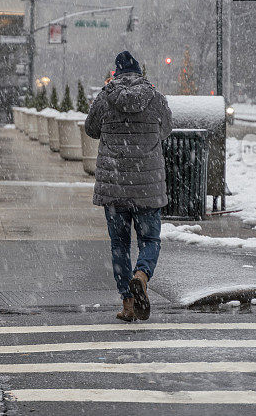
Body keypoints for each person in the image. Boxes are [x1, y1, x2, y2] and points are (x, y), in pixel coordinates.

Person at [85, 51, 172, 322]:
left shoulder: (104, 97)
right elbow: (167, 128)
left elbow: (91, 129)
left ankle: (128, 305)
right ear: (139, 72)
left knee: (119, 245)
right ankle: (141, 275)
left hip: (115, 186)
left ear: (116, 73)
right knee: (149, 240)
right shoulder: (155, 97)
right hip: (147, 185)